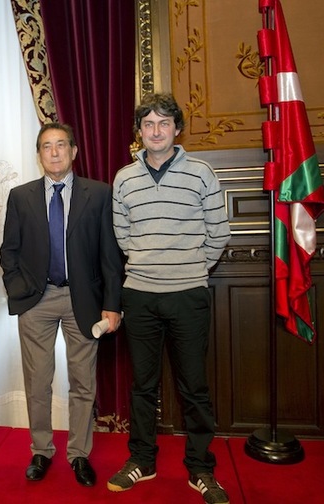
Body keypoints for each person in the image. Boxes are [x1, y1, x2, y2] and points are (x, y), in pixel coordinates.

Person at [107, 93, 231, 504]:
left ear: (176, 129)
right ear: (139, 132)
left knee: (193, 386)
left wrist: (191, 269)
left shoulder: (201, 173)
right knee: (143, 385)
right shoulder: (124, 178)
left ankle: (200, 468)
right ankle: (142, 460)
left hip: (188, 295)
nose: (155, 131)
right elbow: (123, 236)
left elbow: (219, 233)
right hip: (139, 295)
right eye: (148, 124)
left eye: (164, 123)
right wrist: (149, 265)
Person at [0, 123, 123, 487]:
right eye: (46, 147)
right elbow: (10, 251)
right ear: (38, 155)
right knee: (38, 381)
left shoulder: (99, 194)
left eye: (60, 145)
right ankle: (41, 450)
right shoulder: (20, 196)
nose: (54, 152)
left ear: (74, 151)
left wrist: (112, 303)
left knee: (83, 382)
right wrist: (19, 290)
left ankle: (79, 454)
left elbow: (110, 254)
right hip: (36, 301)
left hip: (82, 300)